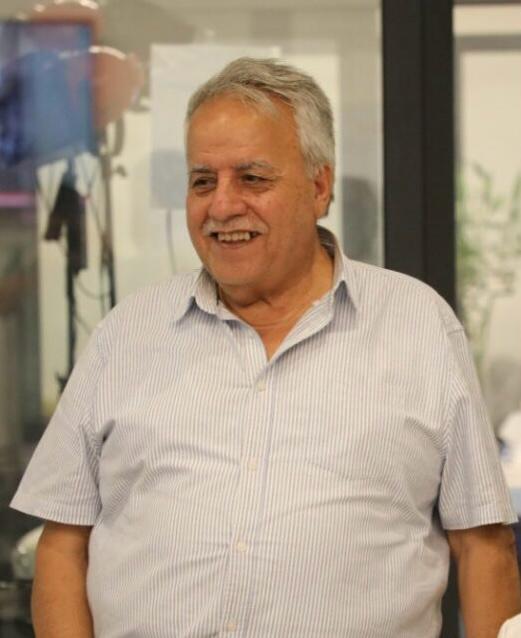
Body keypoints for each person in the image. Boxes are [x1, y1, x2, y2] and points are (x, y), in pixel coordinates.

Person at [10, 57, 521, 638]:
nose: (222, 206)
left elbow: (482, 545)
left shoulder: (419, 327)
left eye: (252, 178)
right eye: (203, 181)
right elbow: (63, 544)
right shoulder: (126, 335)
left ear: (319, 186)